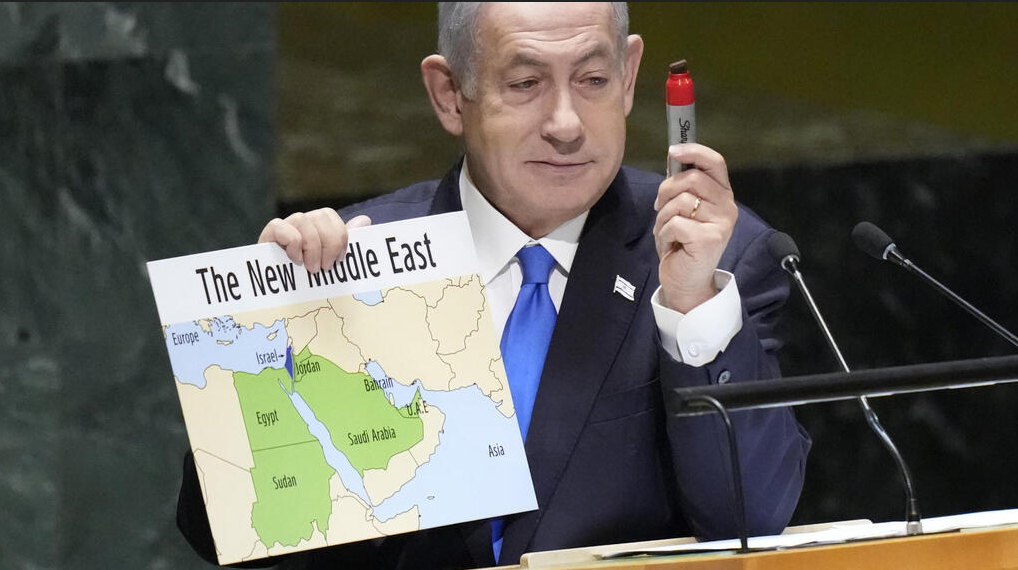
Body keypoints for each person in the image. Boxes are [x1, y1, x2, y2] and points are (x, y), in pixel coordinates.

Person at [177, 2, 811, 568]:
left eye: (593, 79)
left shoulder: (716, 254)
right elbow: (218, 535)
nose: (566, 123)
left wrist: (692, 303)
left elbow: (750, 518)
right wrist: (268, 337)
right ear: (450, 94)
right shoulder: (349, 262)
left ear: (629, 76)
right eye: (526, 83)